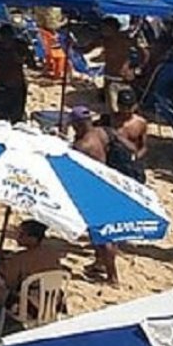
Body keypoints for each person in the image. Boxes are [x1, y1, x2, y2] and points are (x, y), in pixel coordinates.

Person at [70, 107, 119, 284]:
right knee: (100, 233)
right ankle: (99, 263)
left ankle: (112, 276)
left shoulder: (82, 145)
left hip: (93, 189)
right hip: (106, 183)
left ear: (76, 125)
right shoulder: (101, 133)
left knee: (101, 235)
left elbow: (73, 166)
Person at [0, 220, 64, 324]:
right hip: (54, 303)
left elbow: (10, 283)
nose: (17, 237)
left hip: (32, 308)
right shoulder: (52, 253)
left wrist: (2, 266)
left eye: (22, 234)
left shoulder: (20, 258)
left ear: (32, 238)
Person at [0, 24, 34, 123]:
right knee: (4, 114)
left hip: (11, 82)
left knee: (13, 114)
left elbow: (30, 62)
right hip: (7, 81)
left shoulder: (18, 45)